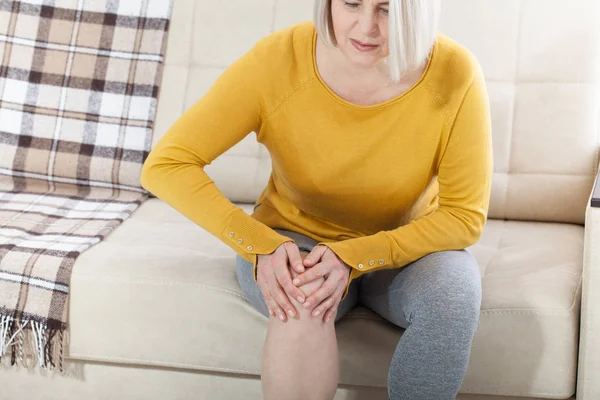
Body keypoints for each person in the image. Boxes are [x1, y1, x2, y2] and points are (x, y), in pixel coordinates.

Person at [140, 0, 493, 398]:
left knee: (453, 297)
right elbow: (167, 164)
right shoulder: (277, 60)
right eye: (351, 3)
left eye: (386, 10)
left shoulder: (455, 73)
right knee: (299, 294)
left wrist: (356, 256)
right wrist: (260, 245)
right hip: (295, 240)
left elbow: (464, 217)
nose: (366, 28)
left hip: (408, 249)